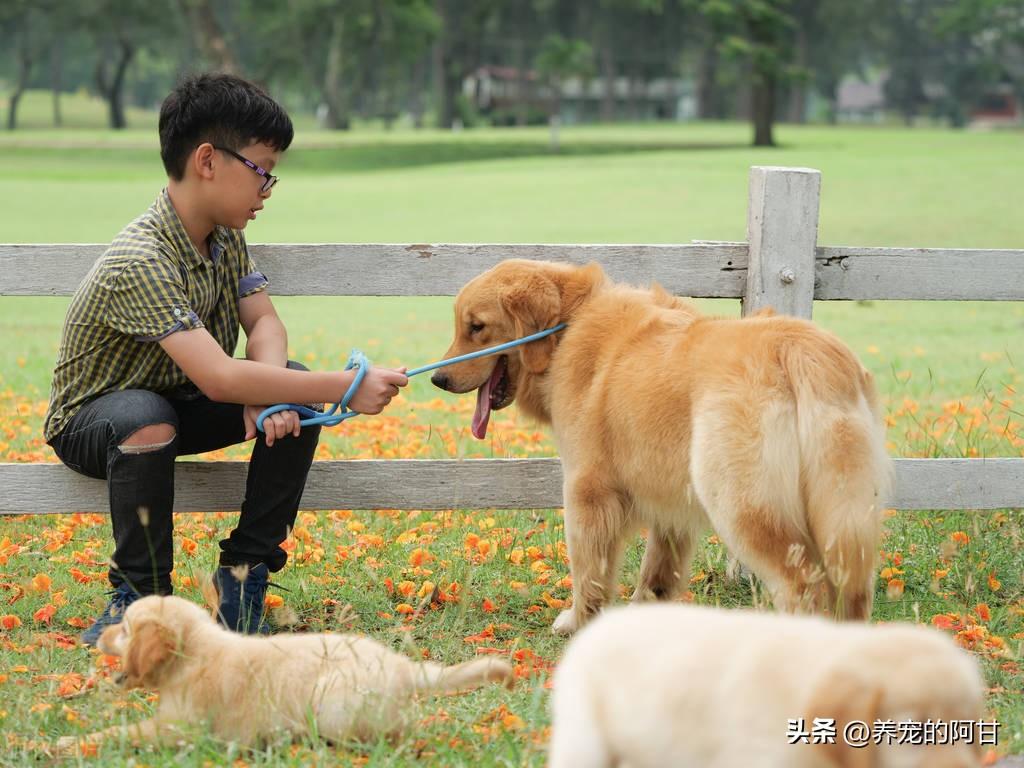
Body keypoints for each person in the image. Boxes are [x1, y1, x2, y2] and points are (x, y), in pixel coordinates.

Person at [43, 73, 409, 646]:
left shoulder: (223, 235)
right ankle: (139, 604)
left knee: (293, 386)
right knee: (145, 413)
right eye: (262, 170)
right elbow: (218, 377)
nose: (268, 189)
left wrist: (281, 396)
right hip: (97, 422)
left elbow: (263, 322)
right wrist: (348, 385)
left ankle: (242, 579)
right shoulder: (139, 259)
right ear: (208, 161)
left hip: (181, 401)